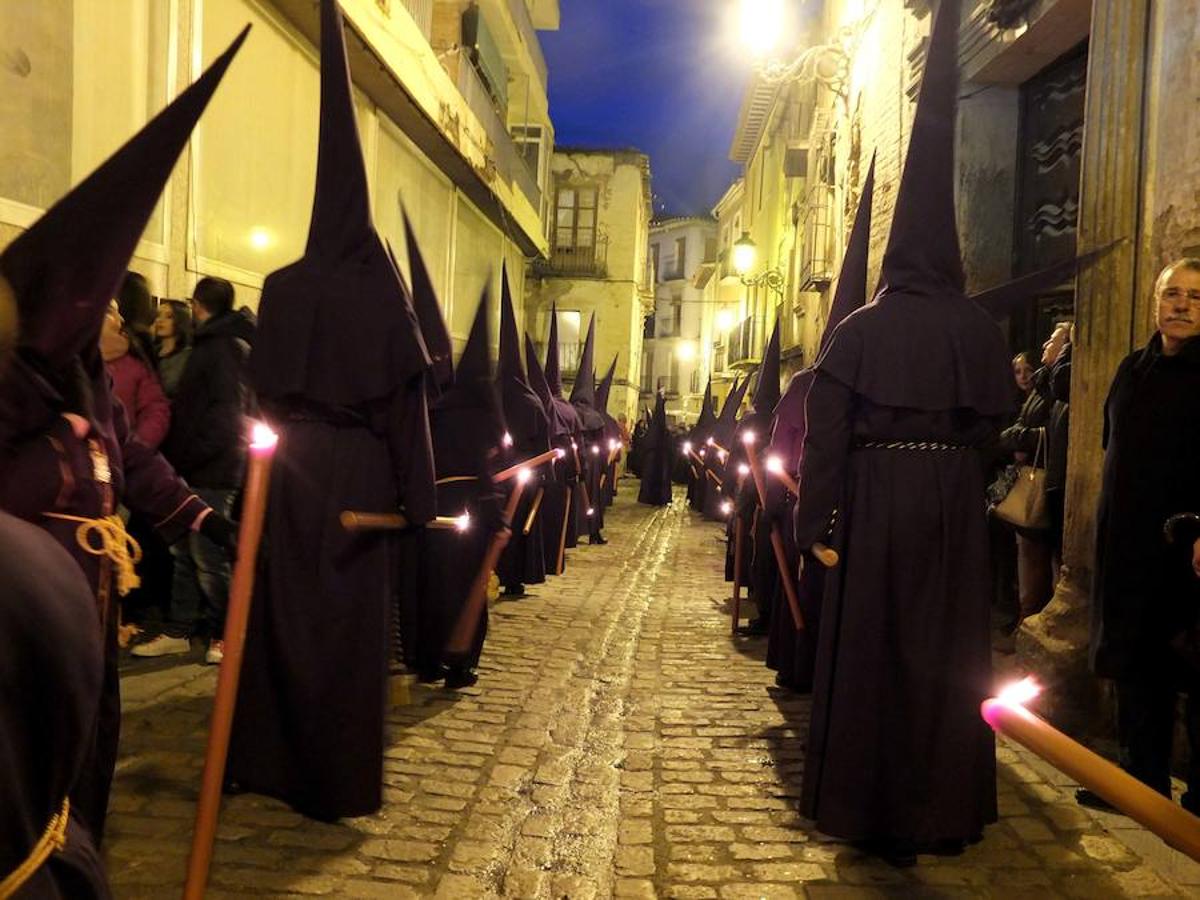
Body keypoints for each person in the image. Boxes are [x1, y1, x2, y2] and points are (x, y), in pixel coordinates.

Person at [0, 28, 247, 842]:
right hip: (19, 632)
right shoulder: (9, 387)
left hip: (91, 613)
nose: (115, 317)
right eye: (99, 302)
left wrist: (204, 518)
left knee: (88, 755)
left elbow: (129, 457)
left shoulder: (86, 378)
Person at [793, 0, 1013, 865]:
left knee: (878, 653)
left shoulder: (857, 333)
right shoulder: (975, 333)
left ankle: (873, 806)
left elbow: (824, 437)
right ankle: (943, 808)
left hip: (879, 504)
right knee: (945, 661)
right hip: (951, 506)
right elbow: (993, 424)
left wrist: (817, 526)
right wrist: (958, 482)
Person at [225, 0, 436, 823]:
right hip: (357, 475)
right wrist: (417, 506)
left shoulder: (280, 288)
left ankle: (266, 758)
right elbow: (404, 408)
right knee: (344, 636)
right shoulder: (383, 297)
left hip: (293, 471)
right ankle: (329, 779)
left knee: (281, 616)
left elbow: (261, 398)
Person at [1078, 258, 1200, 815]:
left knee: (1194, 673)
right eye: (1172, 294)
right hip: (1129, 547)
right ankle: (1139, 782)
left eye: (1196, 297)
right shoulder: (1133, 368)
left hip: (1189, 550)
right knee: (1135, 663)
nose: (1181, 305)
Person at [766, 156, 874, 693]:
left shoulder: (863, 383)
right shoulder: (807, 385)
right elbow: (782, 447)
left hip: (848, 514)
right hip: (813, 505)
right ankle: (806, 669)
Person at [135, 276, 251, 664]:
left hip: (213, 468)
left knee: (208, 555)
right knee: (186, 552)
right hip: (200, 465)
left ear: (198, 306)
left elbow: (225, 415)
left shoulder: (223, 348)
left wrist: (194, 457)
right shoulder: (215, 345)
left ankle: (226, 634)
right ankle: (179, 630)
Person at [100, 300, 170, 450]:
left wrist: (137, 445)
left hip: (121, 459)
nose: (121, 319)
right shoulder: (66, 358)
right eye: (111, 311)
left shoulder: (133, 362)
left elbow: (155, 408)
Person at [153, 298, 193, 398]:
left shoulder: (187, 356)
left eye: (169, 316)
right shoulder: (151, 351)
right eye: (158, 315)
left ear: (180, 320)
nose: (160, 320)